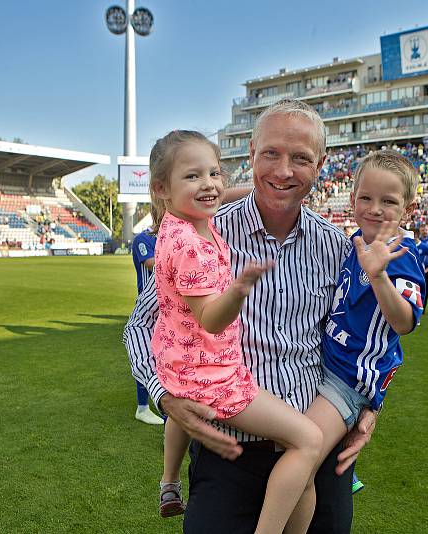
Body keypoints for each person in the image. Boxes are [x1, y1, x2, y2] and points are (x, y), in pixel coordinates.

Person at [124, 99, 374, 533]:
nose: (283, 171)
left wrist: (370, 405)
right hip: (230, 450)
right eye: (271, 154)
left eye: (301, 158)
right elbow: (142, 324)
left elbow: (362, 339)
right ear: (252, 152)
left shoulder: (338, 247)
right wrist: (165, 397)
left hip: (312, 451)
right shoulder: (204, 229)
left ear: (322, 164)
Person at [146, 130, 324, 532]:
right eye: (193, 176)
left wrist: (268, 186)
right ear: (161, 188)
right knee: (309, 441)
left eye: (215, 173)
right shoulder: (193, 244)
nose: (209, 184)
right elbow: (210, 319)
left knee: (180, 397)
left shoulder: (181, 222)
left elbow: (209, 191)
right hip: (215, 378)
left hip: (180, 361)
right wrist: (238, 290)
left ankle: (168, 481)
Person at [308, 151, 425, 503]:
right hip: (324, 365)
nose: (375, 208)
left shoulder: (400, 253)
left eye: (388, 201)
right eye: (366, 198)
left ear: (409, 209)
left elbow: (404, 322)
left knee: (299, 453)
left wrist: (378, 276)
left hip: (347, 379)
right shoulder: (353, 241)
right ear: (353, 198)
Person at [130, 228, 164, 425]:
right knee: (147, 355)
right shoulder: (143, 238)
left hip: (170, 305)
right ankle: (142, 407)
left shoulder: (174, 232)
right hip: (149, 307)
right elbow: (151, 264)